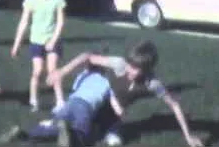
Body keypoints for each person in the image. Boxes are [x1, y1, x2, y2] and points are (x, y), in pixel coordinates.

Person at [46, 40, 204, 147]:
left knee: (90, 135)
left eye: (136, 68)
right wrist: (62, 71)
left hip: (114, 114)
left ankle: (100, 131)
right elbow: (87, 56)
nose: (130, 69)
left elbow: (174, 105)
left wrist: (188, 136)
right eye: (130, 64)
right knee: (78, 124)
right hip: (96, 102)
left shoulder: (152, 83)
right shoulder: (120, 64)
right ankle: (50, 128)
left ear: (147, 69)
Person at [0, 67, 123, 147]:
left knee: (55, 127)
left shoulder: (84, 76)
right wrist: (120, 113)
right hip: (85, 108)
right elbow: (116, 107)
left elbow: (75, 89)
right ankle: (68, 136)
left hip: (70, 103)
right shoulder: (107, 84)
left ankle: (23, 134)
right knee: (82, 134)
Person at [11, 0, 66, 113]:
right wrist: (16, 44)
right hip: (36, 42)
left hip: (53, 41)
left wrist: (53, 40)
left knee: (53, 70)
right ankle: (34, 101)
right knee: (37, 71)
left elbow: (60, 22)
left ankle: (60, 102)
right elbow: (24, 23)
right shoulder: (30, 0)